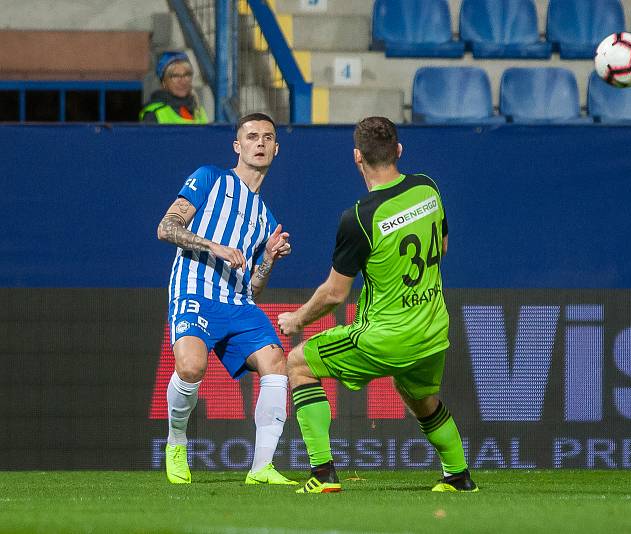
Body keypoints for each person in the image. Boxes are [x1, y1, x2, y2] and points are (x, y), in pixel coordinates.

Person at [277, 116, 478, 494]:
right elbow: (444, 248)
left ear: (357, 157)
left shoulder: (359, 218)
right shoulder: (427, 189)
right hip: (432, 330)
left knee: (298, 363)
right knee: (422, 400)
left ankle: (322, 476)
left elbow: (335, 294)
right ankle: (458, 476)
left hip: (386, 335)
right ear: (398, 151)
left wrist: (297, 319)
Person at [156, 112, 295, 485]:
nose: (260, 143)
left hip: (235, 301)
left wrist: (267, 258)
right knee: (190, 368)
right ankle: (176, 442)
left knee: (276, 363)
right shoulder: (210, 179)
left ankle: (262, 468)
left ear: (276, 149)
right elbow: (166, 227)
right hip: (194, 288)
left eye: (267, 137)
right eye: (252, 137)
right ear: (238, 145)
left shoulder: (265, 218)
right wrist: (213, 245)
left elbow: (253, 289)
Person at [140, 51, 209, 124]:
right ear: (164, 82)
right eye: (175, 76)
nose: (182, 81)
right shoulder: (153, 113)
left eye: (186, 75)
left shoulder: (199, 110)